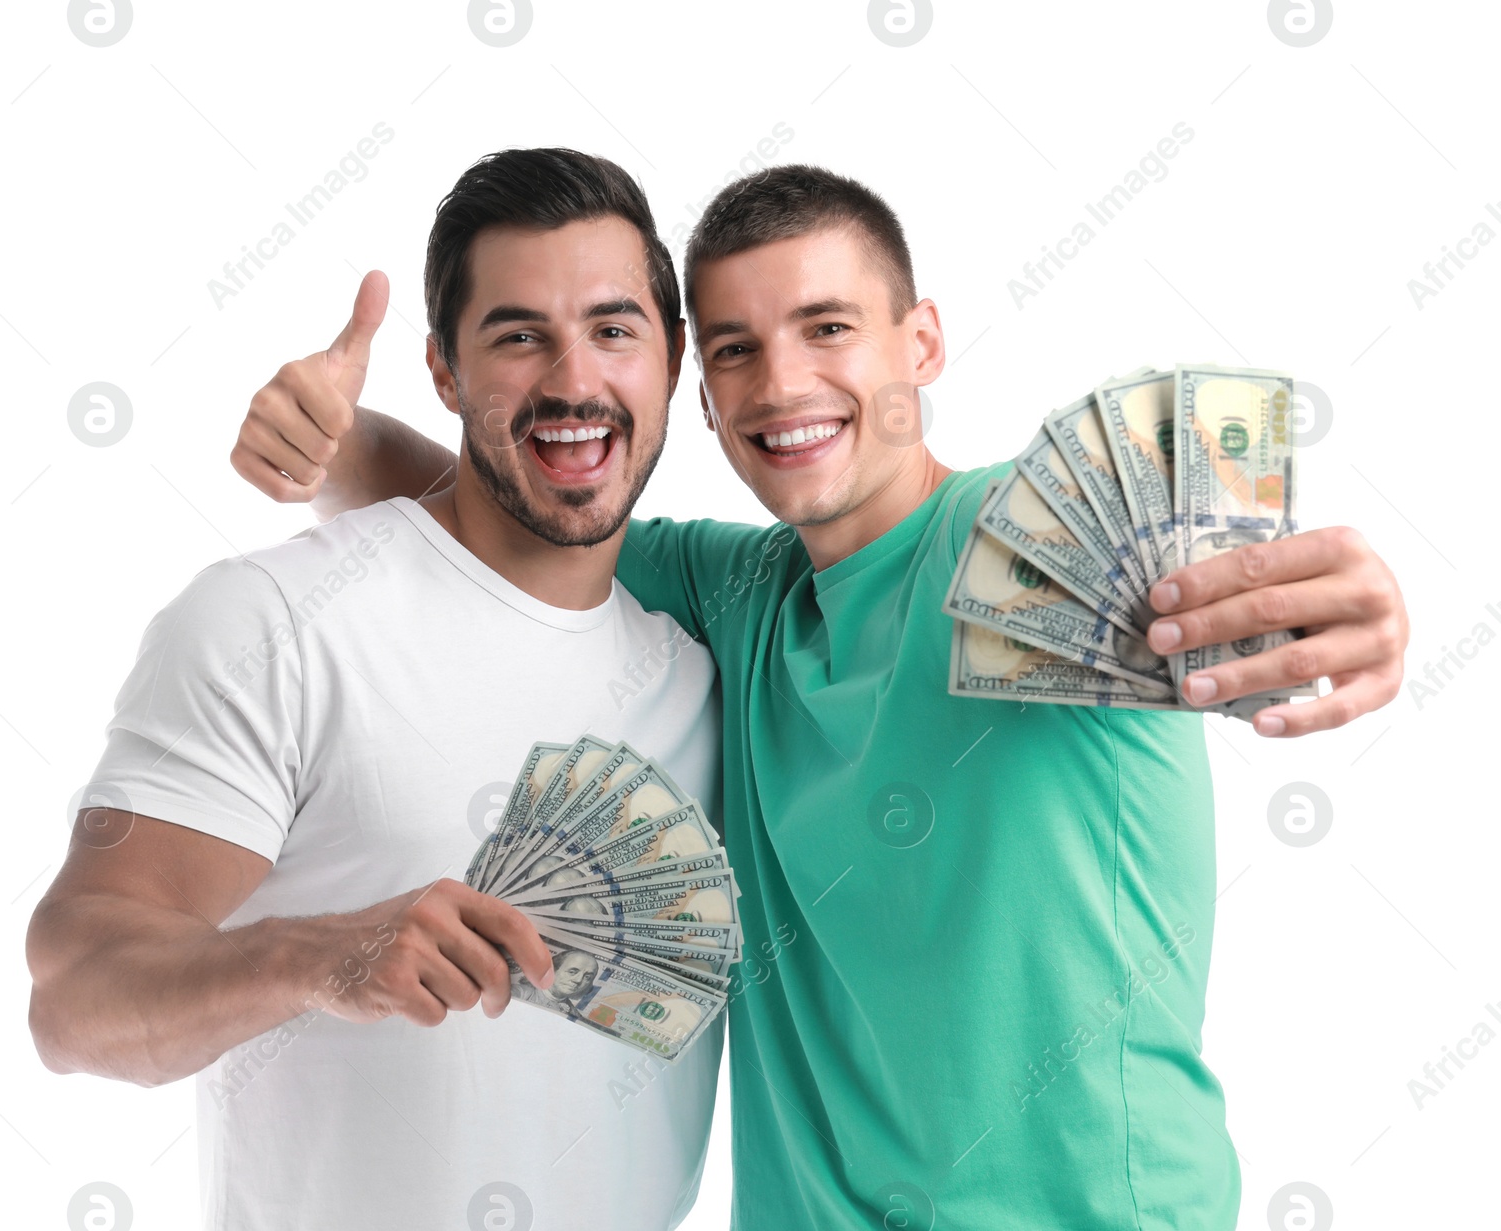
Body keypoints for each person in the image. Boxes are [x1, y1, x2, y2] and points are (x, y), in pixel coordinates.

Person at [232, 161, 1410, 1227]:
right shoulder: (734, 593)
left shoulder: (1039, 545)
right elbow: (498, 503)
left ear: (922, 343)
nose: (780, 382)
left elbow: (1230, 591)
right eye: (736, 347)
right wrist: (331, 445)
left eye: (827, 326)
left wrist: (1343, 617)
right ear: (699, 392)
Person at [25, 149, 728, 1231]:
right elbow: (73, 1001)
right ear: (443, 371)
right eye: (517, 334)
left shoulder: (703, 657)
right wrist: (311, 955)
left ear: (672, 358)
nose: (576, 378)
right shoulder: (275, 623)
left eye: (612, 328)